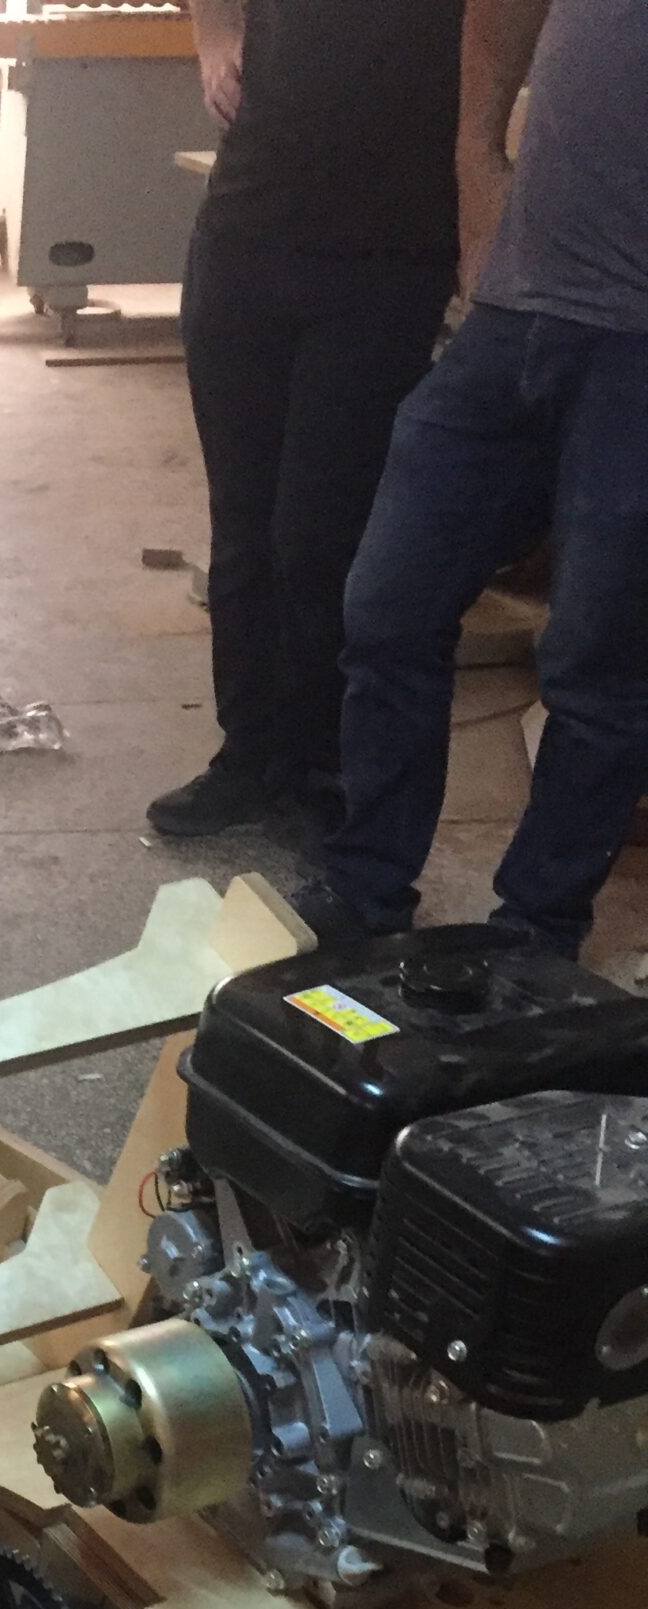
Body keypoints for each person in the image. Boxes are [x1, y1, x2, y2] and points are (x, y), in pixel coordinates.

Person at [302, 0, 648, 955]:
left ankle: (536, 932)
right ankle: (366, 886)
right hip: (515, 315)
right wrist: (476, 159)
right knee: (389, 604)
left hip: (636, 353)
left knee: (597, 667)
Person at [147, 0, 463, 843]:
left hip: (387, 255)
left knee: (321, 534)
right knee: (243, 525)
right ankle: (248, 757)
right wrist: (215, 36)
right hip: (248, 229)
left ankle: (322, 765)